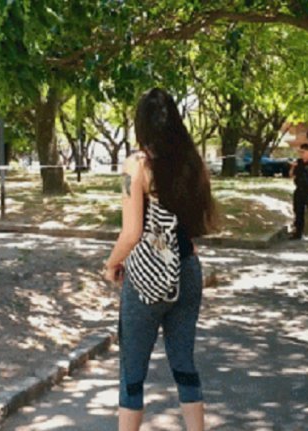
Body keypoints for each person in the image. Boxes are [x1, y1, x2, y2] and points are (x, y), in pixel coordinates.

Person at [103, 88, 216, 431]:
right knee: (184, 364)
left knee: (132, 373)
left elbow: (131, 233)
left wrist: (111, 265)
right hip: (188, 269)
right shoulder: (193, 163)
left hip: (146, 279)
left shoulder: (136, 165)